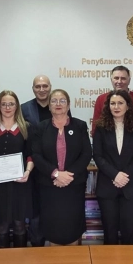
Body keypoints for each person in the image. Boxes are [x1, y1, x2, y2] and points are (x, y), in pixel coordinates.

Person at [32, 89, 92, 245]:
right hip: (49, 185)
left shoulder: (79, 125)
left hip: (74, 184)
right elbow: (36, 155)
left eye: (62, 101)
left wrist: (68, 175)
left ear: (69, 105)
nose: (58, 104)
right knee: (52, 226)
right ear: (49, 106)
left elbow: (86, 154)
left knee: (72, 225)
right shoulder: (41, 127)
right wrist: (56, 174)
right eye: (54, 101)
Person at [0, 90, 34, 248]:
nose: (7, 107)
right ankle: (2, 260)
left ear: (17, 106)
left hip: (20, 184)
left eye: (11, 104)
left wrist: (27, 172)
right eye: (4, 104)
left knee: (19, 225)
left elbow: (30, 155)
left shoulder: (26, 127)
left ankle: (21, 258)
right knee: (1, 226)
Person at [92, 90, 133, 244]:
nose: (116, 107)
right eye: (113, 103)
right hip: (108, 186)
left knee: (130, 231)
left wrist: (124, 175)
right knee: (110, 232)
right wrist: (115, 175)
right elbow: (98, 156)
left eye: (120, 103)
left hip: (131, 186)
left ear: (128, 106)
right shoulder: (100, 127)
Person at [20, 75, 53, 247]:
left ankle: (53, 240)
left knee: (52, 205)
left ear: (50, 87)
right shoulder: (24, 108)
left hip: (54, 165)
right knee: (35, 208)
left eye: (45, 86)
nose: (42, 89)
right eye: (38, 86)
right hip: (33, 165)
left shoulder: (58, 105)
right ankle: (37, 243)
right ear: (33, 89)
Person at [91, 66, 133, 135]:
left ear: (129, 80)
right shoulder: (101, 99)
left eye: (123, 78)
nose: (119, 81)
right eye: (116, 78)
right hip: (108, 140)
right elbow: (95, 126)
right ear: (111, 80)